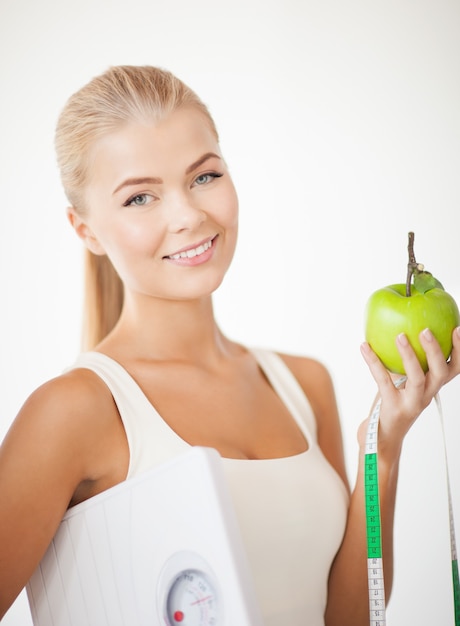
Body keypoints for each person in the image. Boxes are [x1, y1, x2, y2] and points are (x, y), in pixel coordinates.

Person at [0, 65, 458, 626]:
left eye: (204, 176)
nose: (189, 215)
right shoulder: (71, 412)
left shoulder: (302, 383)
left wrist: (381, 448)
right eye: (140, 198)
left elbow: (348, 617)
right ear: (85, 230)